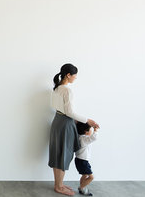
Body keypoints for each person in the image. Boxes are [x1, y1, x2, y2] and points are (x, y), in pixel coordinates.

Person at [49, 63, 100, 196]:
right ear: (68, 75)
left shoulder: (57, 88)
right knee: (64, 155)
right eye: (75, 76)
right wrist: (87, 120)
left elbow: (62, 109)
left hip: (57, 121)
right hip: (65, 123)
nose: (75, 78)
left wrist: (77, 119)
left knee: (58, 154)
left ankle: (58, 184)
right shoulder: (67, 90)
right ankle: (59, 187)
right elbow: (70, 112)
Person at [75, 122, 98, 196]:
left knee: (84, 175)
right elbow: (94, 138)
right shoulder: (84, 139)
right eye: (90, 129)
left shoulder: (80, 137)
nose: (91, 130)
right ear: (86, 132)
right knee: (91, 177)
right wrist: (95, 130)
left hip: (80, 160)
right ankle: (81, 187)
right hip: (83, 161)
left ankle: (82, 189)